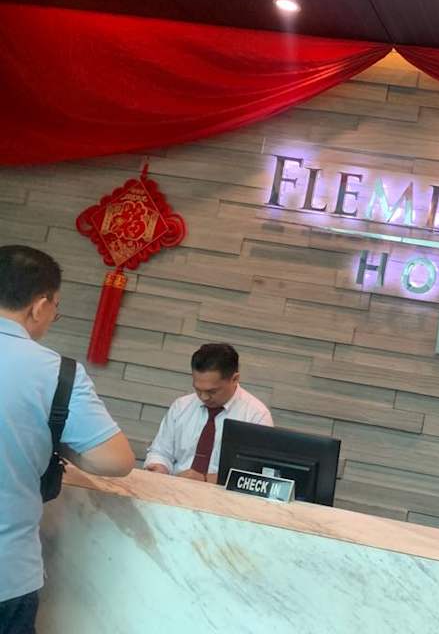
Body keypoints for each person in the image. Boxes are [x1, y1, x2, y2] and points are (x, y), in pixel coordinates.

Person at [0, 245, 135, 634]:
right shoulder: (56, 373)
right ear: (40, 305)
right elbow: (116, 460)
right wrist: (49, 437)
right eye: (55, 308)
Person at [144, 343, 273, 481]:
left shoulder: (256, 416)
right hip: (174, 486)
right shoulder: (181, 406)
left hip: (221, 493)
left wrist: (205, 479)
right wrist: (159, 467)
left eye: (212, 391)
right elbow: (160, 452)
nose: (204, 397)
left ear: (235, 379)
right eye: (198, 389)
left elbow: (258, 475)